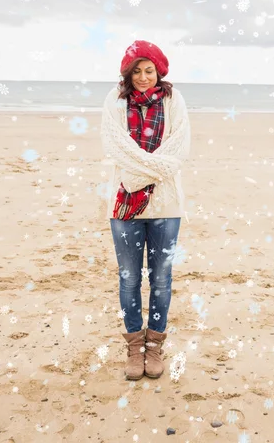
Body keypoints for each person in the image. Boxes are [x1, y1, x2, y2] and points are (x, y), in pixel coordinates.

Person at [100, 40, 191, 380]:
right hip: (124, 205)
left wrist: (140, 170)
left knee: (161, 279)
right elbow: (115, 146)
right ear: (127, 73)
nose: (142, 77)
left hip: (166, 205)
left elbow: (178, 151)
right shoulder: (115, 101)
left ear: (159, 71)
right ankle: (134, 347)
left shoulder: (174, 100)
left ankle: (155, 347)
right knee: (129, 278)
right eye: (136, 71)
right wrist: (151, 169)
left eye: (148, 70)